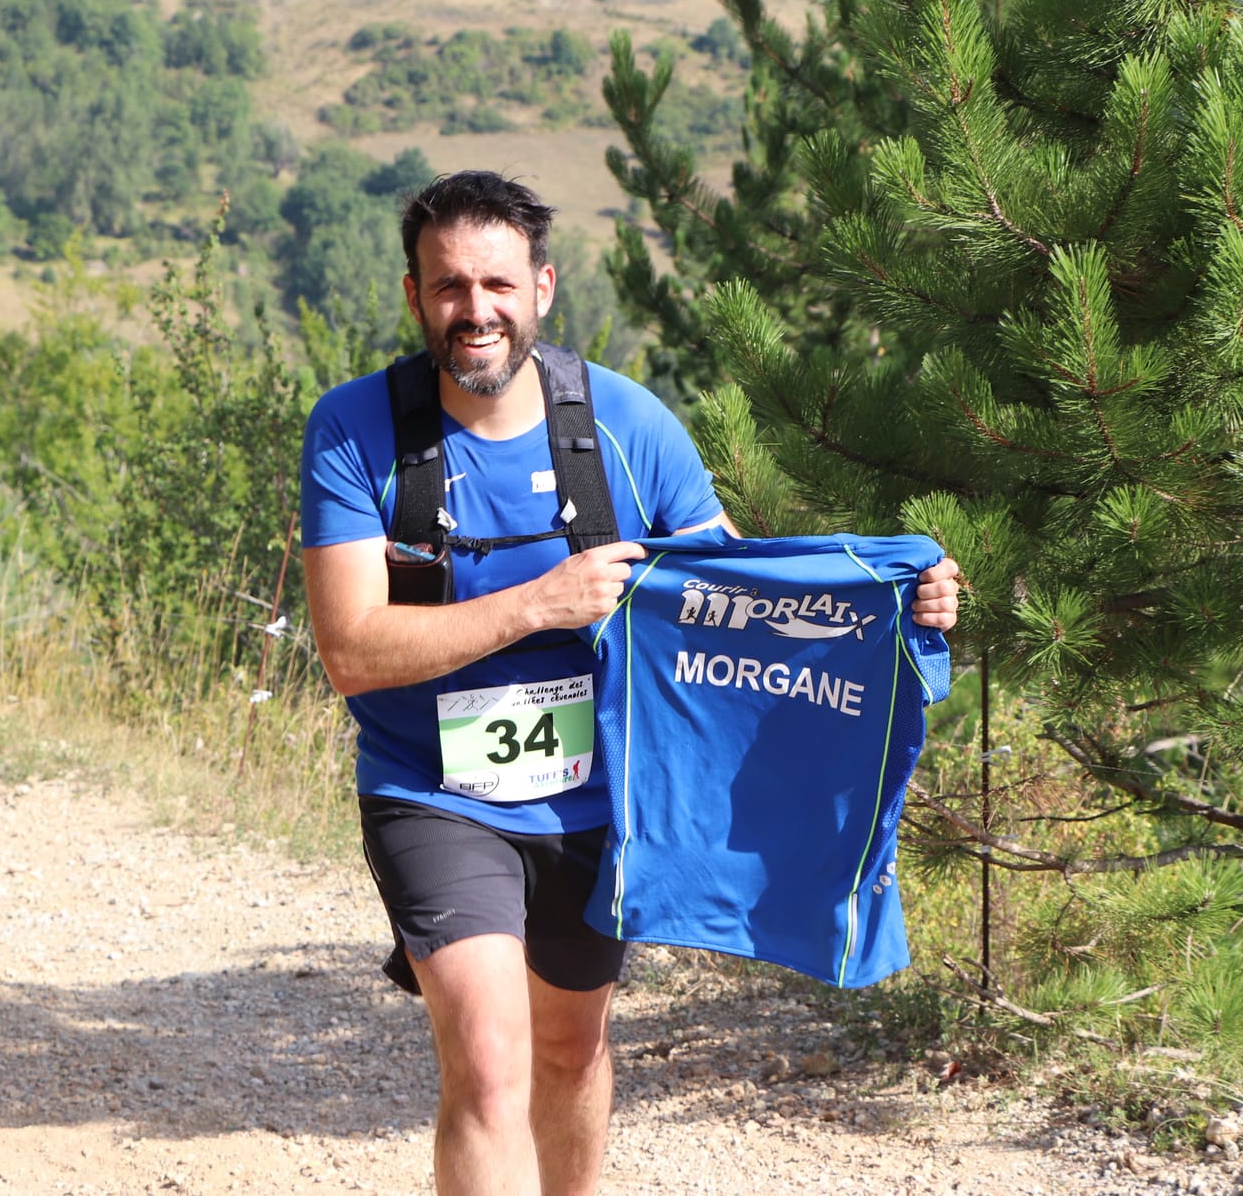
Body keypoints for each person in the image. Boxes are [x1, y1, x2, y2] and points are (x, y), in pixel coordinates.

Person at [300, 171, 960, 1196]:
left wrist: (893, 602)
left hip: (600, 796)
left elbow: (735, 589)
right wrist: (537, 603)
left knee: (568, 1050)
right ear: (412, 295)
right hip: (433, 788)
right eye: (447, 288)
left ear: (543, 288)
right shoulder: (353, 432)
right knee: (486, 1062)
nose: (474, 310)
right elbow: (351, 649)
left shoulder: (622, 424)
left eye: (496, 285)